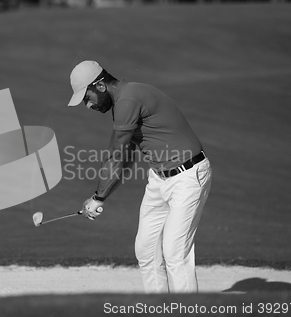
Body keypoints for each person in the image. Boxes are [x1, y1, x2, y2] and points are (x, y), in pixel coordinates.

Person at [67, 60, 212, 293]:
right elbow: (124, 160)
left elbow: (116, 156)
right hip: (159, 178)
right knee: (146, 250)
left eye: (87, 97)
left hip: (187, 177)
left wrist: (97, 198)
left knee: (175, 252)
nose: (88, 105)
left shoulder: (129, 99)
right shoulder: (124, 102)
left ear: (101, 86)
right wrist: (100, 197)